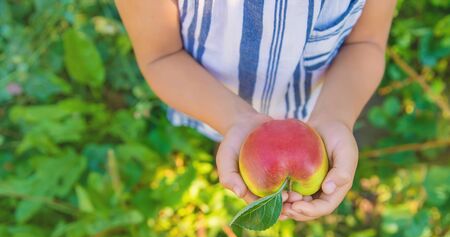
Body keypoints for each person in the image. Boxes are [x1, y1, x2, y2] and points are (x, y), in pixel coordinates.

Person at [116, 0, 396, 221]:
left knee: (244, 150)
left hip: (316, 101)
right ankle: (230, 138)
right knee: (232, 143)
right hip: (207, 94)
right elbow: (161, 56)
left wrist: (335, 117)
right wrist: (233, 120)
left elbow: (365, 42)